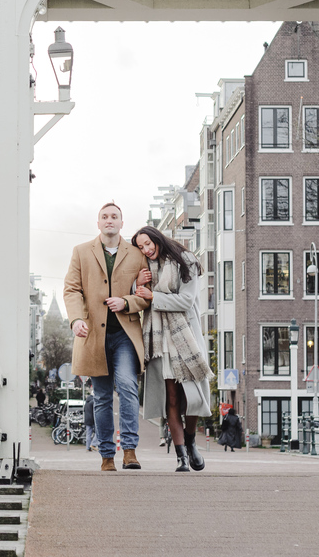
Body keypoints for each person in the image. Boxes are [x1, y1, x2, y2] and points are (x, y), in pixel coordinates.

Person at [64, 202, 149, 471]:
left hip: (124, 334)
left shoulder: (136, 255)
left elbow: (146, 295)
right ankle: (106, 456)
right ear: (98, 223)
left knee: (127, 387)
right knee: (101, 397)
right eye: (105, 217)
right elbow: (71, 289)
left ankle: (130, 452)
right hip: (93, 338)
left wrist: (127, 302)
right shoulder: (80, 252)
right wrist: (77, 319)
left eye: (115, 217)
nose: (109, 220)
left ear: (122, 224)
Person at [131, 225, 213, 472]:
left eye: (148, 243)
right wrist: (137, 284)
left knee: (192, 396)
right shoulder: (145, 268)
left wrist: (153, 296)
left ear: (157, 238)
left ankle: (190, 441)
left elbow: (187, 301)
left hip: (185, 338)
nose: (146, 249)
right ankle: (181, 458)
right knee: (173, 399)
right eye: (141, 247)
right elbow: (136, 299)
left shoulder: (185, 260)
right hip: (159, 343)